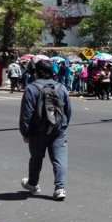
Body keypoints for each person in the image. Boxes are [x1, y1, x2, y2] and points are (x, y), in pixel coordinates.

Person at [19, 59, 72, 200]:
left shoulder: (31, 88)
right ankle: (60, 189)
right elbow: (68, 110)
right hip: (58, 130)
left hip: (38, 131)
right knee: (59, 160)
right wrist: (62, 126)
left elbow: (26, 113)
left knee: (36, 158)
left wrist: (25, 132)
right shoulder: (61, 87)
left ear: (37, 72)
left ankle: (33, 184)